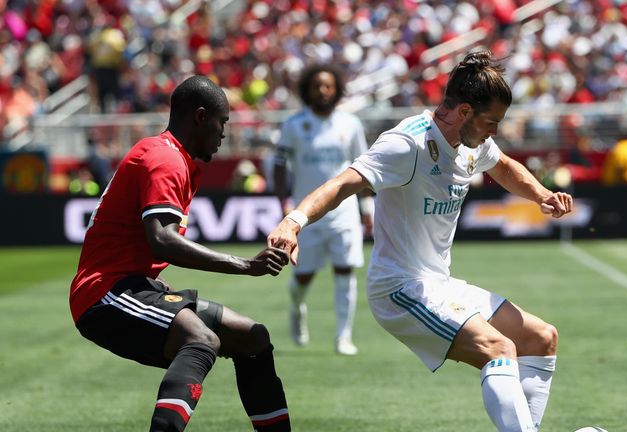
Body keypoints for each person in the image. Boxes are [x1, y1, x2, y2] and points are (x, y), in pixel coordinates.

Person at [268, 51, 573, 432]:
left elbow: (505, 167)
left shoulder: (473, 143)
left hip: (439, 284)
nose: (495, 130)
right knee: (501, 349)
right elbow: (343, 183)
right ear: (464, 112)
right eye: (491, 122)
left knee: (542, 338)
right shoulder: (407, 144)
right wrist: (293, 221)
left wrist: (542, 195)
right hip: (399, 288)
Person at [70, 76, 292, 432]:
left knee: (253, 338)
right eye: (223, 123)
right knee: (201, 339)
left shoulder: (168, 156)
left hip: (133, 286)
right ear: (201, 117)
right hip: (104, 294)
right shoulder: (165, 160)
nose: (224, 134)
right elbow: (162, 239)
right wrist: (245, 265)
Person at [272, 64, 372, 356]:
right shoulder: (294, 125)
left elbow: (363, 169)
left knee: (345, 271)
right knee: (303, 276)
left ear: (336, 89)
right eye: (317, 86)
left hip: (345, 212)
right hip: (307, 215)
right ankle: (297, 307)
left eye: (328, 86)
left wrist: (367, 207)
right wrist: (284, 203)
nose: (323, 91)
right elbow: (279, 165)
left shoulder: (350, 125)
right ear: (307, 90)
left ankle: (344, 336)